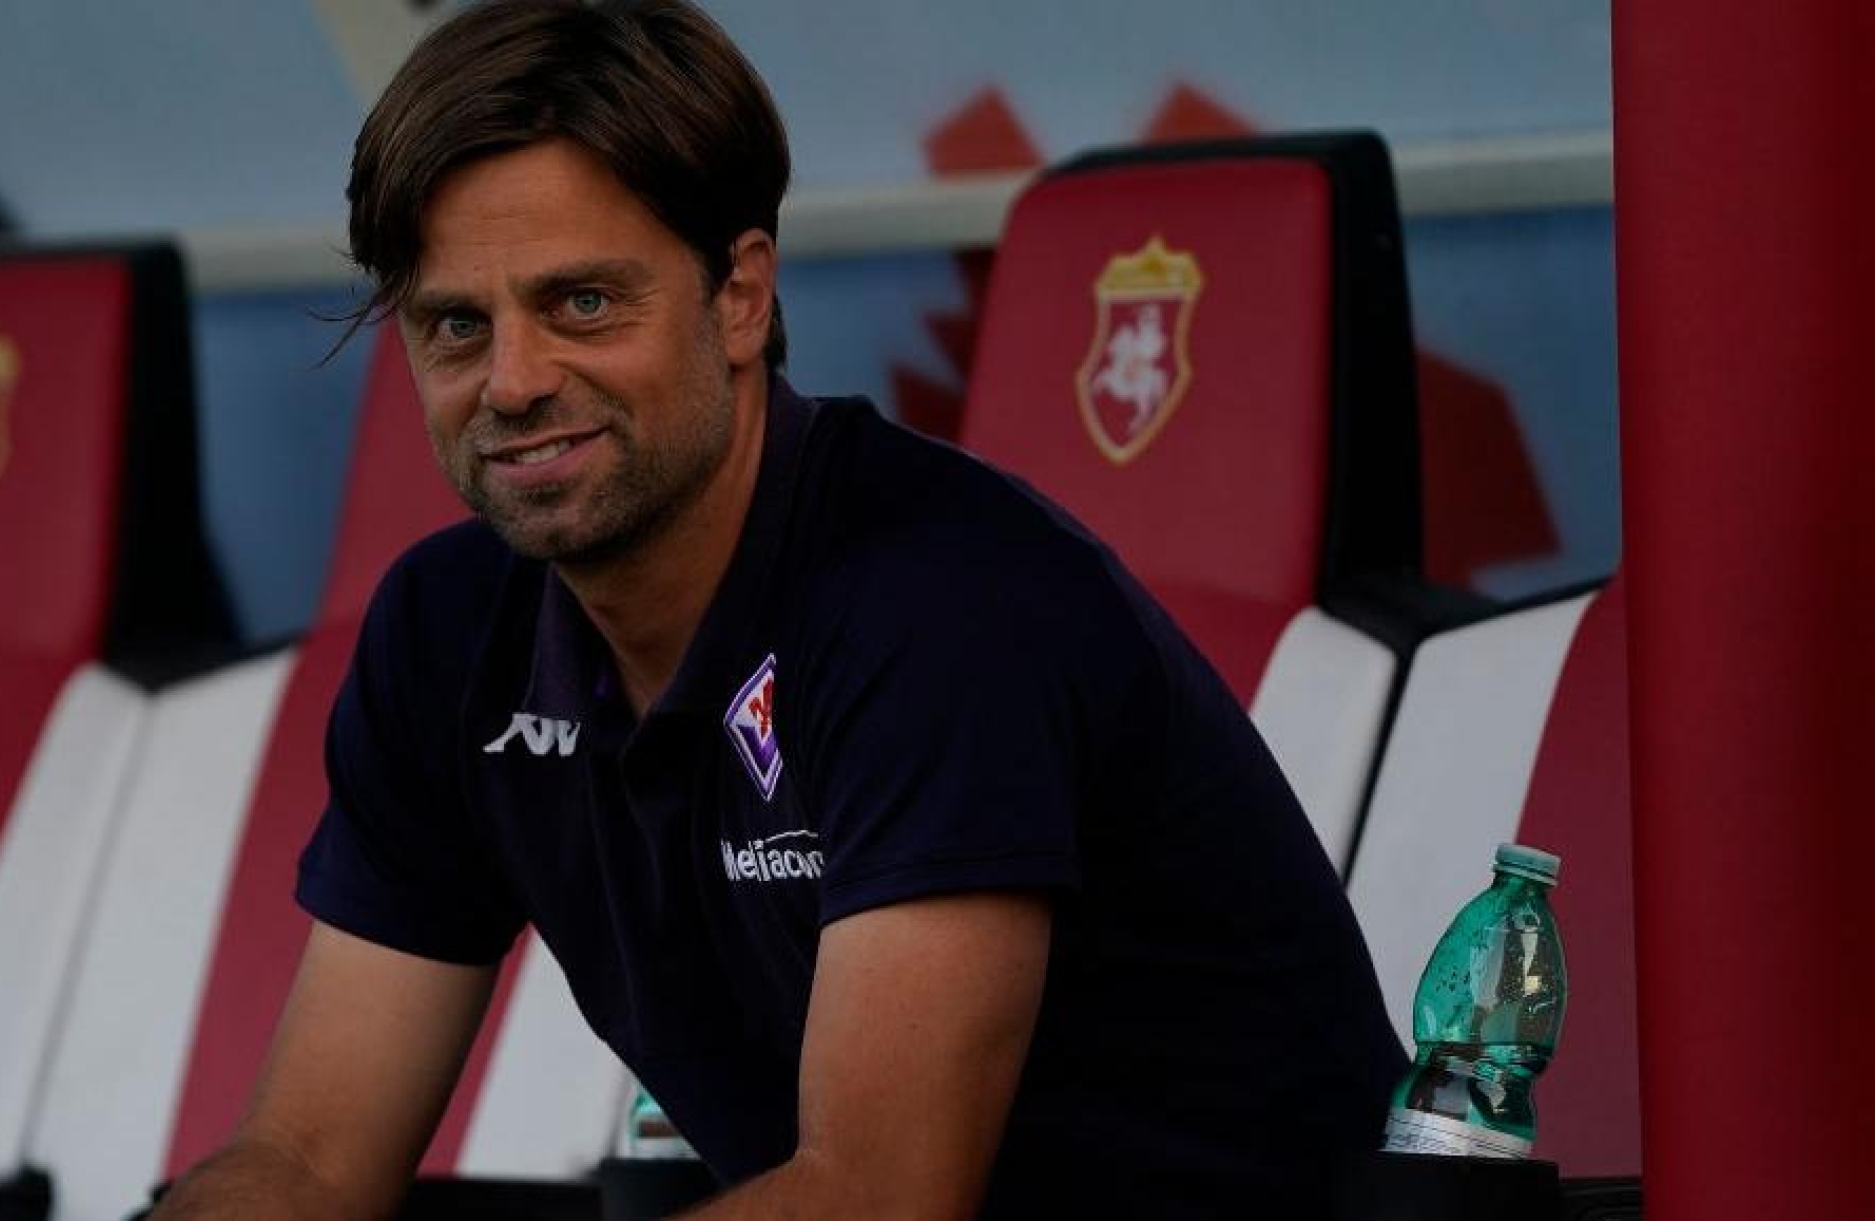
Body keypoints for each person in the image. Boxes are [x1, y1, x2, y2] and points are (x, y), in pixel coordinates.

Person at [156, 2, 1403, 1217]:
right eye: (455, 326)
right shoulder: (446, 632)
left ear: (741, 295)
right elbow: (309, 1162)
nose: (515, 381)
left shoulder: (940, 601)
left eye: (584, 302)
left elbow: (877, 1197)